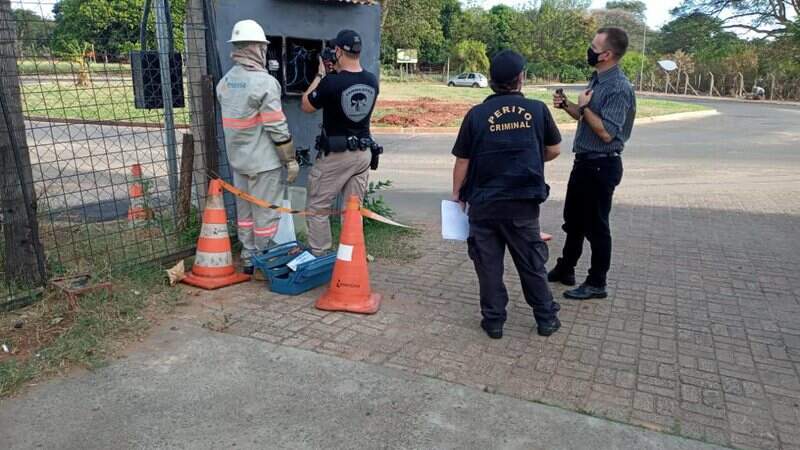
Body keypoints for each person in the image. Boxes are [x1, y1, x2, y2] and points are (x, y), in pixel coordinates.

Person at [451, 50, 562, 339]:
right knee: (531, 264)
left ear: (490, 80)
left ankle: (494, 322)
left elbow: (462, 160)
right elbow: (554, 149)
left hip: (484, 204)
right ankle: (546, 318)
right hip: (522, 205)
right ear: (520, 78)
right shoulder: (538, 110)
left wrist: (457, 196)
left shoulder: (476, 115)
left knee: (488, 267)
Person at [549, 27, 636, 300]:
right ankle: (566, 268)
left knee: (596, 226)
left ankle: (597, 282)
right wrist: (567, 106)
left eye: (594, 46)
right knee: (573, 221)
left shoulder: (618, 88)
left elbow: (607, 132)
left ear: (607, 54)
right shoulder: (597, 79)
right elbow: (585, 117)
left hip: (602, 165)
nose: (590, 49)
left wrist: (584, 107)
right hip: (585, 162)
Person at [217, 20, 299, 274]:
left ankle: (248, 258)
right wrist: (290, 160)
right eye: (262, 47)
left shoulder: (226, 82)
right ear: (256, 49)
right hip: (264, 164)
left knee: (245, 214)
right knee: (266, 215)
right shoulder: (264, 83)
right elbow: (277, 127)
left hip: (239, 163)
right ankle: (268, 261)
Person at [301, 29, 379, 256]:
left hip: (336, 155)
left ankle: (320, 255)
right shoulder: (371, 81)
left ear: (337, 51)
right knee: (352, 210)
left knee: (317, 207)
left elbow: (306, 105)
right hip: (363, 154)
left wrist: (319, 75)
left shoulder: (330, 83)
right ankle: (351, 258)